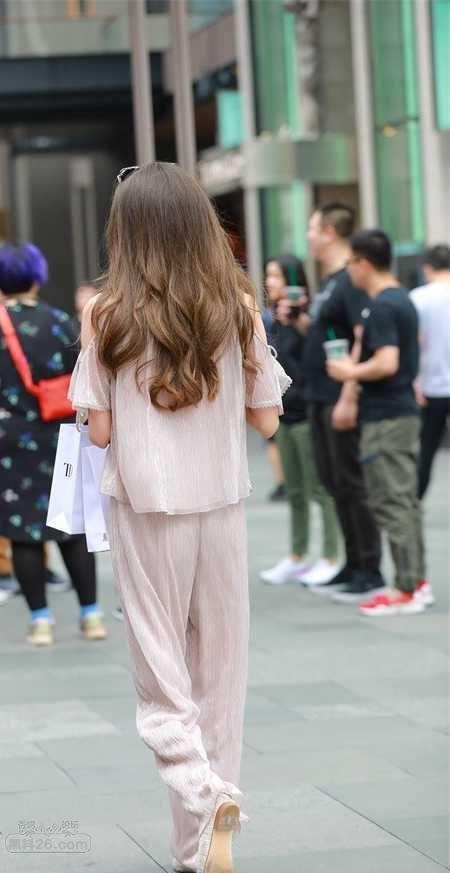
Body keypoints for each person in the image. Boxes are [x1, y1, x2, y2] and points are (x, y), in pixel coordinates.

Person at [68, 161, 291, 873]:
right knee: (220, 675)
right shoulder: (238, 306)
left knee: (162, 677)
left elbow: (100, 432)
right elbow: (267, 419)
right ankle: (197, 849)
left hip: (146, 509)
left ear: (126, 230)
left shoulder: (106, 313)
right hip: (221, 504)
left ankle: (204, 790)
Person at [0, 242, 107, 645]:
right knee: (71, 527)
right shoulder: (60, 321)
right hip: (61, 436)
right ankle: (91, 615)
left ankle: (41, 621)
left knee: (24, 531)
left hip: (10, 444)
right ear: (37, 276)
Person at [327, 229, 432, 616]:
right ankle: (414, 581)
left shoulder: (385, 305)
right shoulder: (400, 299)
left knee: (391, 502)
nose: (349, 271)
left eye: (351, 263)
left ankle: (406, 587)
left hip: (387, 417)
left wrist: (349, 372)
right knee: (403, 501)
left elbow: (387, 362)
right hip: (398, 413)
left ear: (364, 263)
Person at [301, 203, 384, 601]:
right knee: (334, 482)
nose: (309, 236)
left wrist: (349, 393)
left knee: (352, 482)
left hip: (339, 396)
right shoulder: (330, 282)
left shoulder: (349, 279)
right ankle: (352, 563)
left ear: (330, 231)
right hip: (319, 393)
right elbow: (328, 333)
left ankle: (369, 568)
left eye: (312, 228)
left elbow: (359, 336)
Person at [260, 254, 341, 586]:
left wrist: (299, 321)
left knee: (320, 488)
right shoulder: (270, 321)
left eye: (277, 276)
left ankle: (331, 556)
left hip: (309, 412)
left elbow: (320, 354)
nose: (270, 282)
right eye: (269, 276)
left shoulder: (311, 315)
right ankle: (297, 555)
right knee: (294, 490)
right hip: (284, 414)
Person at [410, 245, 450, 499]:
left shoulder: (418, 298)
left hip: (430, 387)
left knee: (425, 452)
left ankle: (413, 505)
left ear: (427, 268)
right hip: (432, 386)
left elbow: (413, 343)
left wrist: (414, 382)